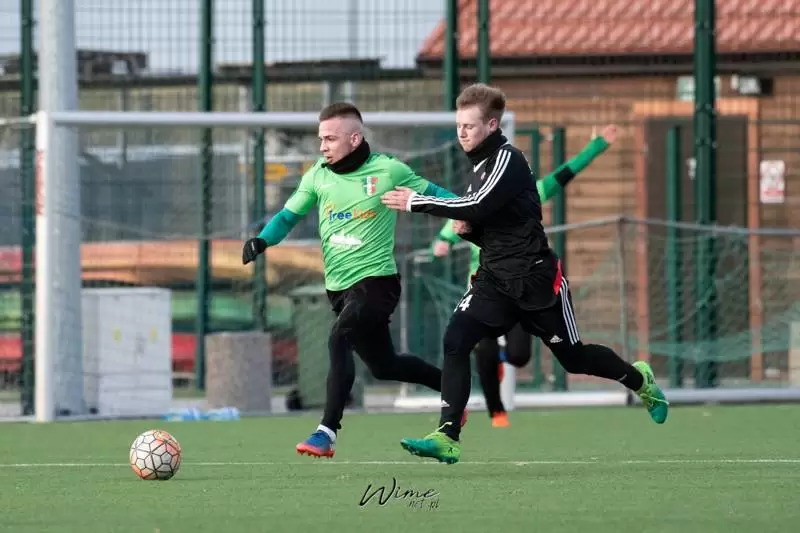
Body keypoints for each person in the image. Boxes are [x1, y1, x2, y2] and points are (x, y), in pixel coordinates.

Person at [381, 83, 669, 464]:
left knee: (575, 359)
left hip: (536, 281)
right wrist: (471, 232)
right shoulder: (480, 167)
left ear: (492, 125)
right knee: (456, 340)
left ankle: (639, 379)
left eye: (469, 126)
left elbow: (478, 205)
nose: (462, 133)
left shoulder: (507, 158)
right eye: (458, 126)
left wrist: (417, 201)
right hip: (494, 280)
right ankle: (448, 434)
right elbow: (496, 226)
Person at [242, 102, 465, 459]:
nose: (323, 146)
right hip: (339, 289)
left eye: (330, 139)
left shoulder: (389, 170)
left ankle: (326, 432)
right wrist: (262, 240)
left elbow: (442, 197)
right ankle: (452, 393)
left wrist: (468, 215)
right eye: (321, 139)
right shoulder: (317, 175)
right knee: (385, 366)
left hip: (377, 282)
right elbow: (287, 216)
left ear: (354, 138)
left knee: (338, 338)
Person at [431, 125, 618, 428]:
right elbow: (450, 227)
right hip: (486, 289)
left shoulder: (526, 193)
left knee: (520, 356)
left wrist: (597, 146)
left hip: (522, 288)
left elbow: (563, 175)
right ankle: (495, 411)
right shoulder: (473, 200)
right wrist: (441, 242)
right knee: (480, 348)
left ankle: (505, 360)